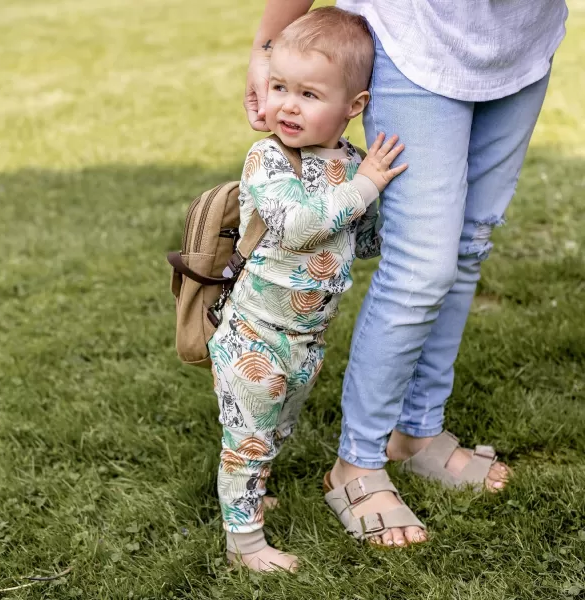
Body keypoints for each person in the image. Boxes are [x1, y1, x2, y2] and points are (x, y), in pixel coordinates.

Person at [245, 0, 568, 548]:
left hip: (520, 39)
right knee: (420, 265)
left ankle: (417, 433)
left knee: (469, 246)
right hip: (414, 34)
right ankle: (358, 465)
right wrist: (267, 44)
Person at [209, 7, 420, 572]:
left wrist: (374, 189)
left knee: (277, 426)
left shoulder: (351, 163)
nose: (287, 105)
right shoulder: (268, 158)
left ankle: (250, 491)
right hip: (253, 332)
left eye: (308, 93)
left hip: (305, 334)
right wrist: (367, 186)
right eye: (279, 87)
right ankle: (244, 543)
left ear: (355, 107)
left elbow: (365, 240)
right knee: (249, 435)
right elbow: (301, 227)